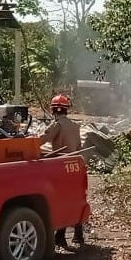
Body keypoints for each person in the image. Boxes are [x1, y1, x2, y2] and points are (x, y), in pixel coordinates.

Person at [41, 94, 86, 248]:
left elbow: (42, 140)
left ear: (53, 110)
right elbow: (79, 148)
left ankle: (60, 236)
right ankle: (77, 235)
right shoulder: (75, 126)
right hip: (75, 165)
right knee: (75, 198)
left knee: (60, 201)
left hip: (60, 167)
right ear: (67, 109)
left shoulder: (56, 125)